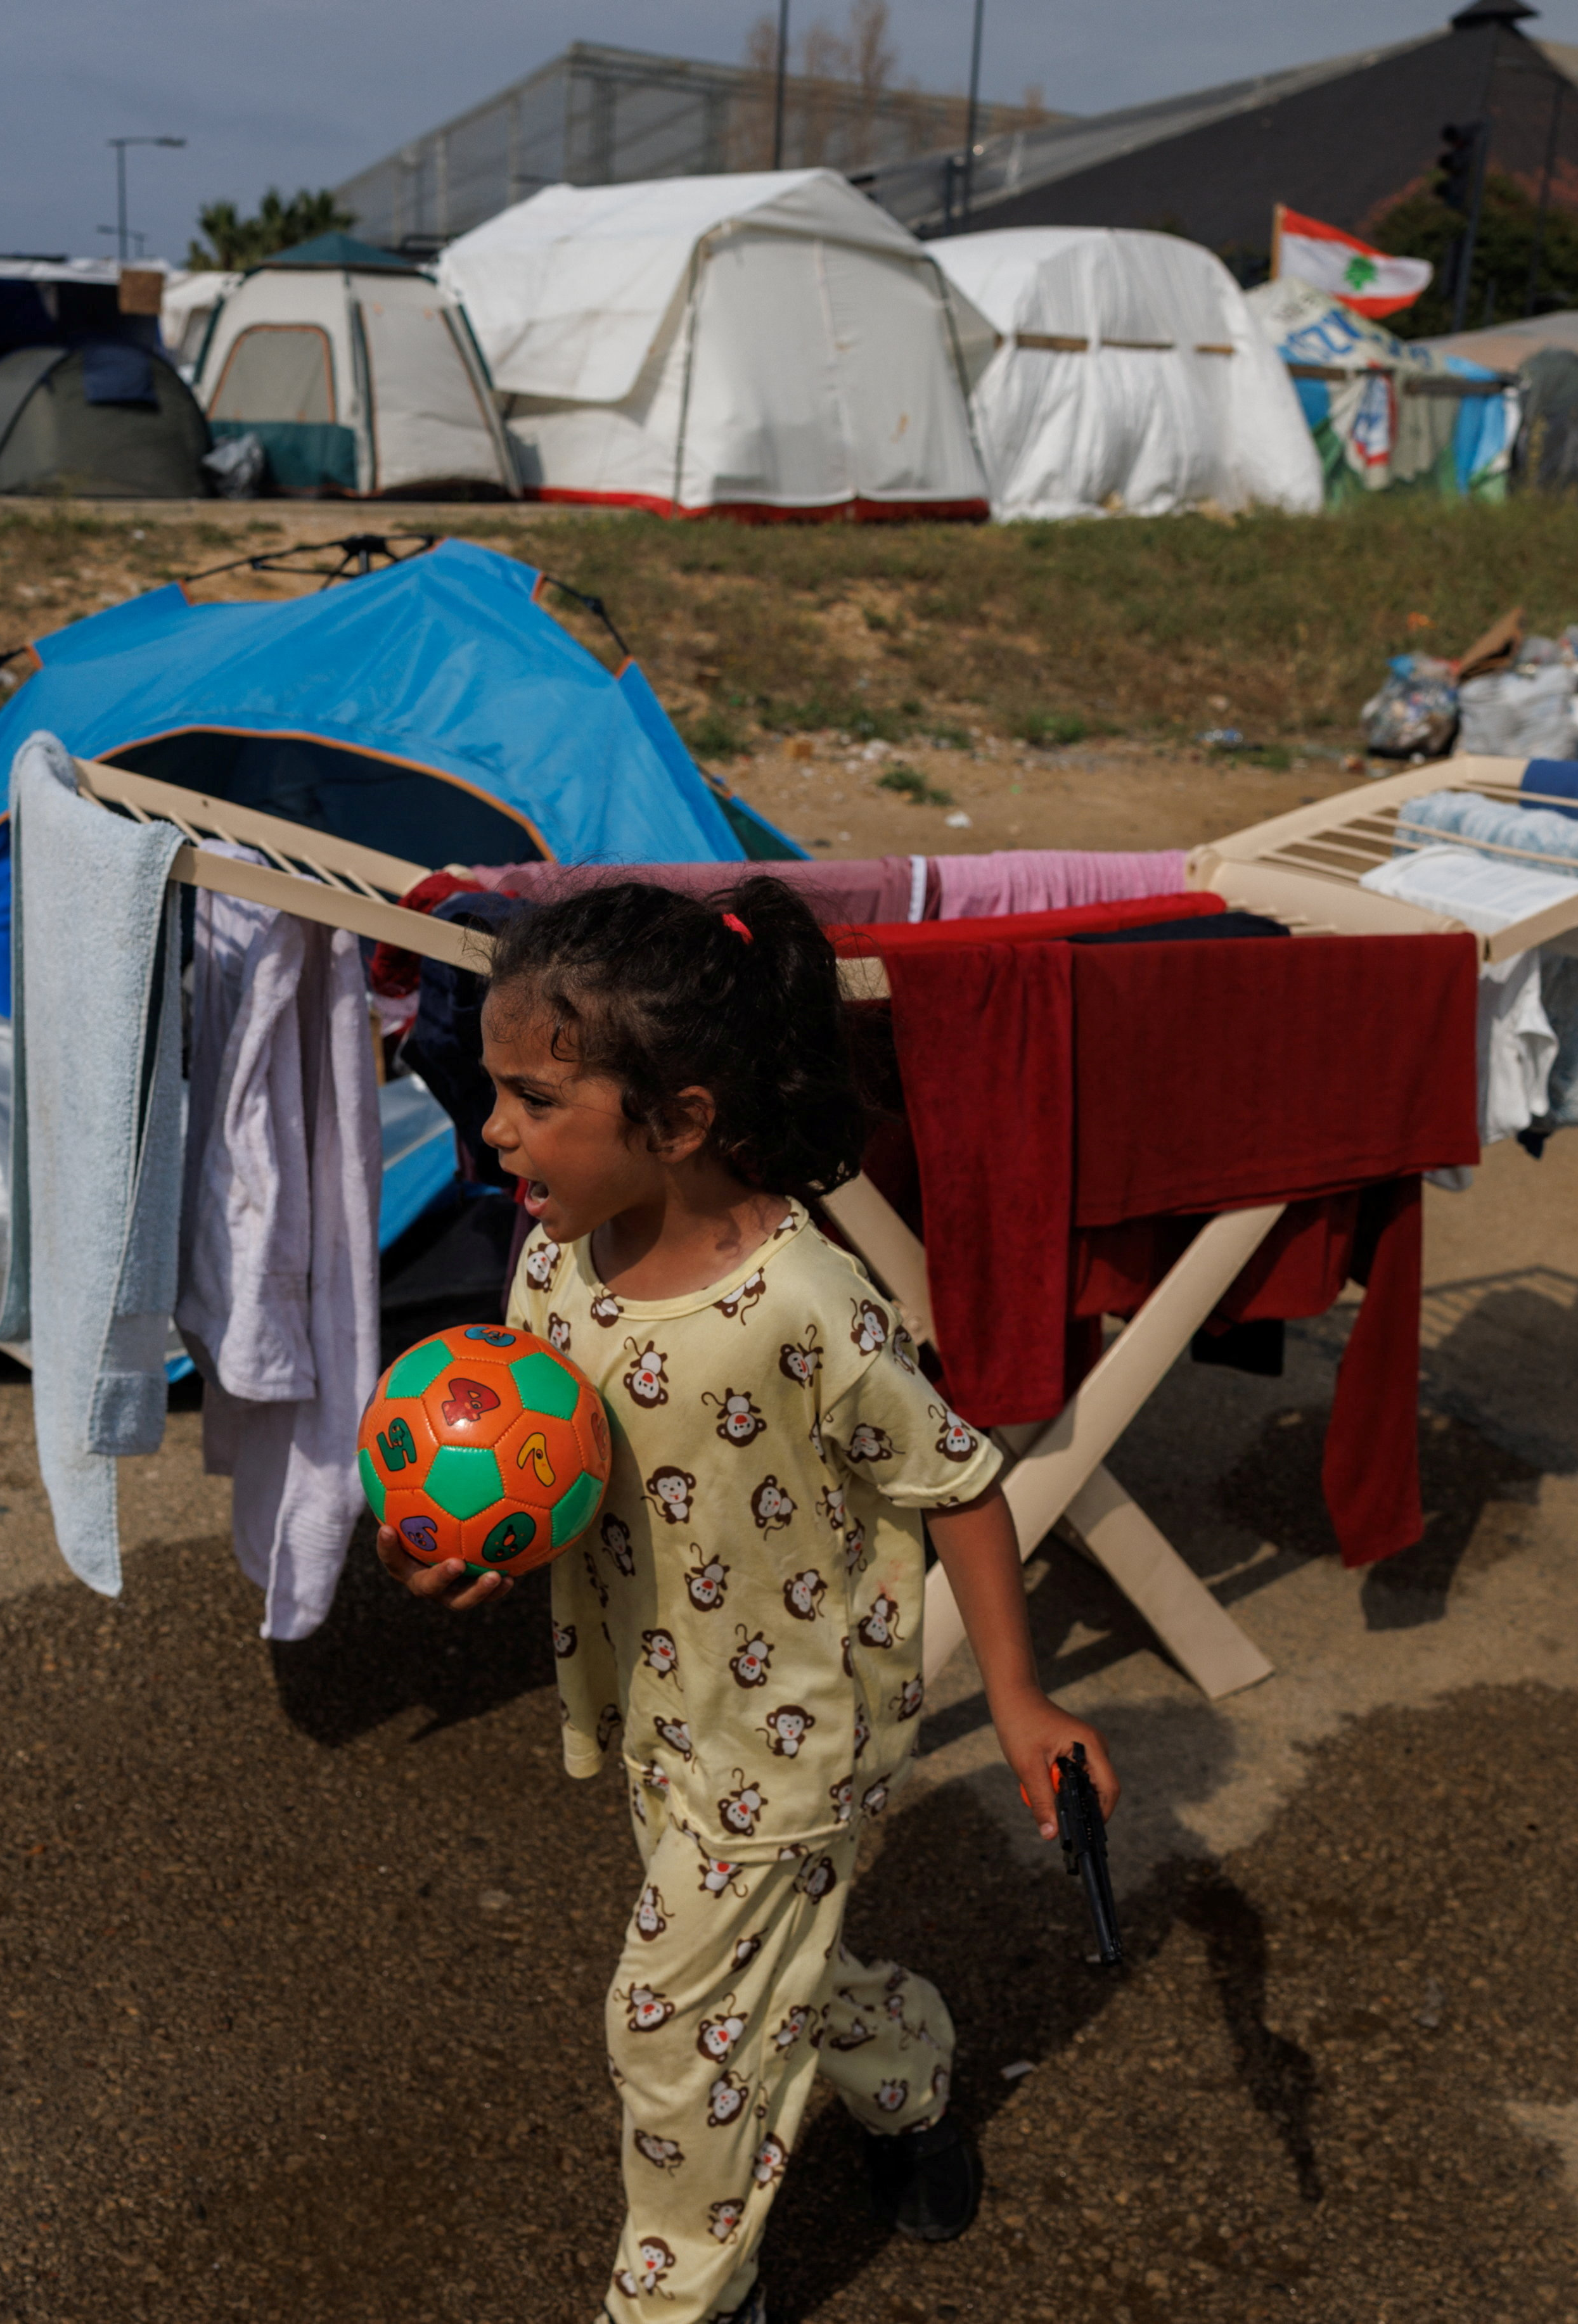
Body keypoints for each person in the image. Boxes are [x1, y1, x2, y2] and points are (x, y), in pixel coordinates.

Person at [376, 874, 1121, 2324]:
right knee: (776, 1964)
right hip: (660, 1710)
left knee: (667, 2031)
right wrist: (462, 1548)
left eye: (534, 1097)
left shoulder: (802, 1306)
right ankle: (903, 2066)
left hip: (794, 1737)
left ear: (684, 1119)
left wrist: (1019, 1699)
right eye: (494, 1090)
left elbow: (956, 1480)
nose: (494, 1130)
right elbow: (562, 1474)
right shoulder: (549, 1262)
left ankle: (681, 2299)